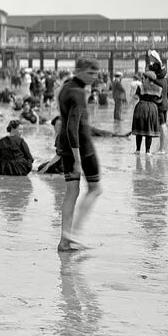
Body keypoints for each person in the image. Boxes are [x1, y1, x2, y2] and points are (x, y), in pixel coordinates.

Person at [57, 58, 103, 252]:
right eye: (91, 73)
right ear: (79, 71)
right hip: (82, 147)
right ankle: (73, 233)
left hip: (65, 146)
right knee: (95, 189)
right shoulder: (78, 92)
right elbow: (72, 126)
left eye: (96, 73)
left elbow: (65, 123)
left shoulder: (65, 87)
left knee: (72, 192)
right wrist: (77, 158)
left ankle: (64, 241)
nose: (95, 77)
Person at [132, 53, 167, 153]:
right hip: (153, 109)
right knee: (149, 131)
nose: (143, 79)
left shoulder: (141, 87)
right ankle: (148, 151)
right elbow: (160, 99)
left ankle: (138, 150)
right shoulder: (159, 88)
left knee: (139, 130)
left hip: (141, 107)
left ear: (147, 78)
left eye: (144, 78)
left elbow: (135, 97)